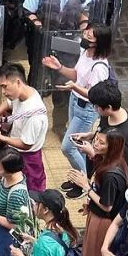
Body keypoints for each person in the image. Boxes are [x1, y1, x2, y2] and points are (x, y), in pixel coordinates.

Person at [43, 21, 112, 176]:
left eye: (90, 36)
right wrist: (59, 68)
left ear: (99, 43)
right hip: (75, 101)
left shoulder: (100, 67)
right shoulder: (85, 52)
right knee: (79, 146)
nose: (85, 37)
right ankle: (79, 176)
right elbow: (76, 74)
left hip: (86, 108)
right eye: (86, 33)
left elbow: (95, 95)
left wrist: (73, 87)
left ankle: (85, 179)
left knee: (68, 147)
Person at [0, 62, 48, 191]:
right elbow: (8, 104)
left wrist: (1, 137)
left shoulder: (34, 114)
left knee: (28, 191)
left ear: (18, 82)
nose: (3, 92)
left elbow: (26, 144)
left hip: (27, 159)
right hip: (14, 151)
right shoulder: (26, 93)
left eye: (5, 86)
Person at [69, 130, 128, 256]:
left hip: (103, 221)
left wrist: (86, 187)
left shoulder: (111, 175)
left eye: (101, 143)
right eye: (95, 139)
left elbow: (106, 206)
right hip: (97, 215)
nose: (95, 144)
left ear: (111, 147)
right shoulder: (109, 161)